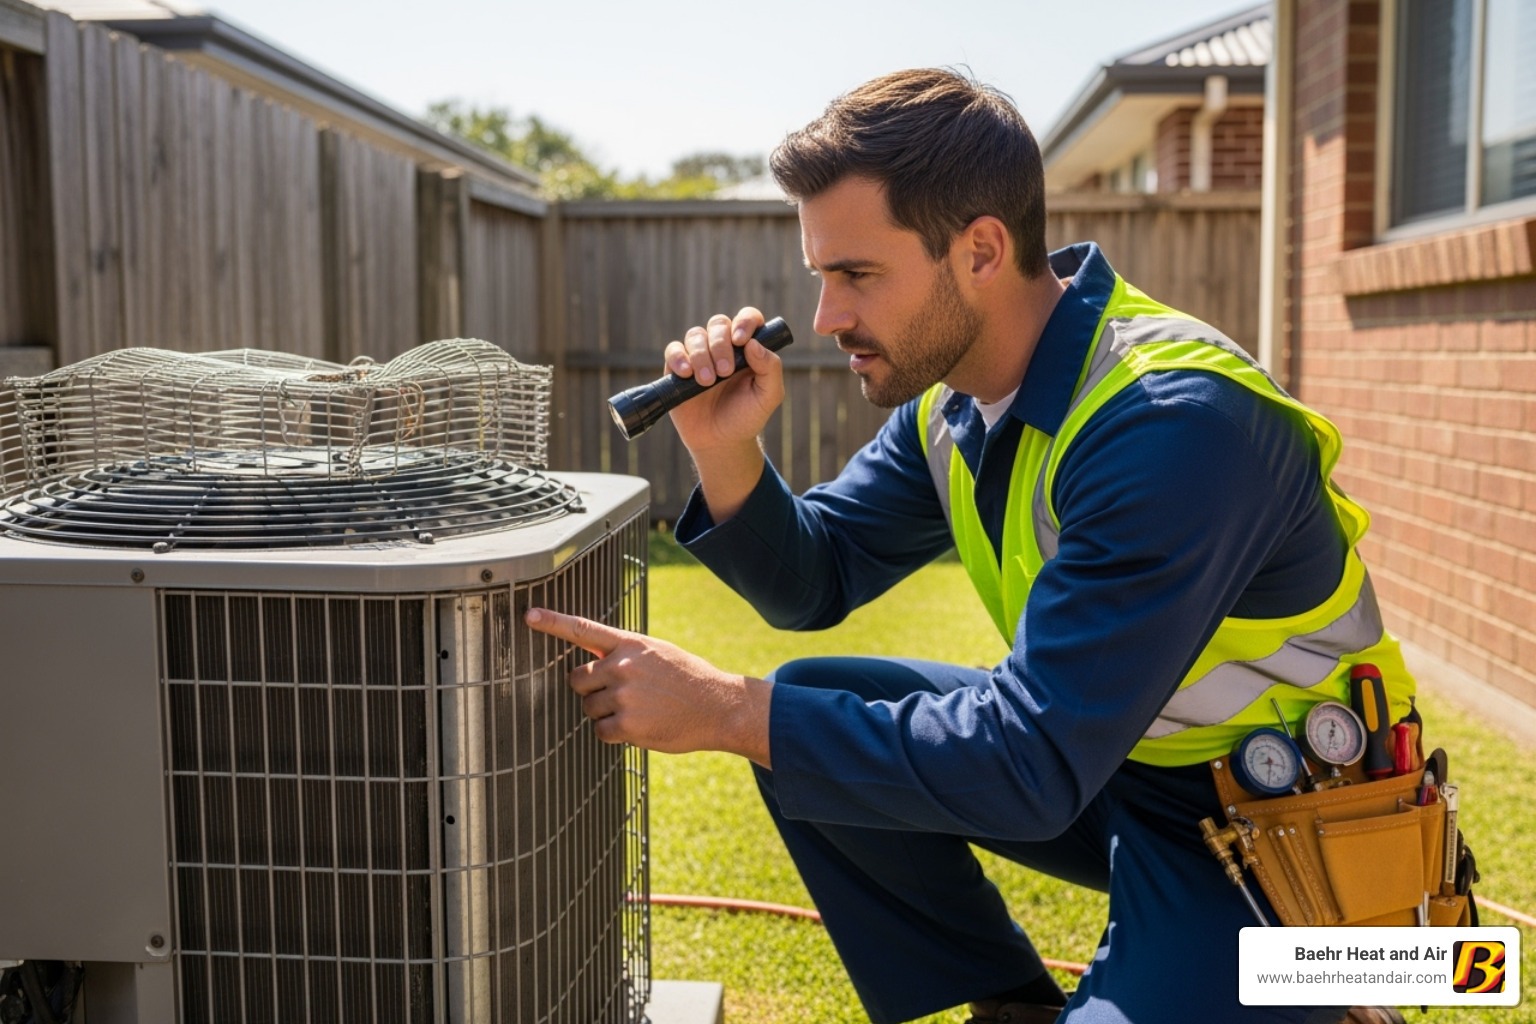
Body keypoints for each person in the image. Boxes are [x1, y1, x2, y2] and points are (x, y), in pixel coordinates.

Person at [524, 68, 1415, 1024]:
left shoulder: (1174, 424)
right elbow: (815, 578)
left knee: (783, 719)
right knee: (819, 700)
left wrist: (725, 710)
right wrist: (723, 446)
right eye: (821, 277)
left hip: (1293, 819)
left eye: (857, 274)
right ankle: (1014, 1007)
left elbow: (1030, 768)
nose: (825, 318)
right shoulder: (956, 407)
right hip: (1122, 776)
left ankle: (1359, 985)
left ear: (982, 249)